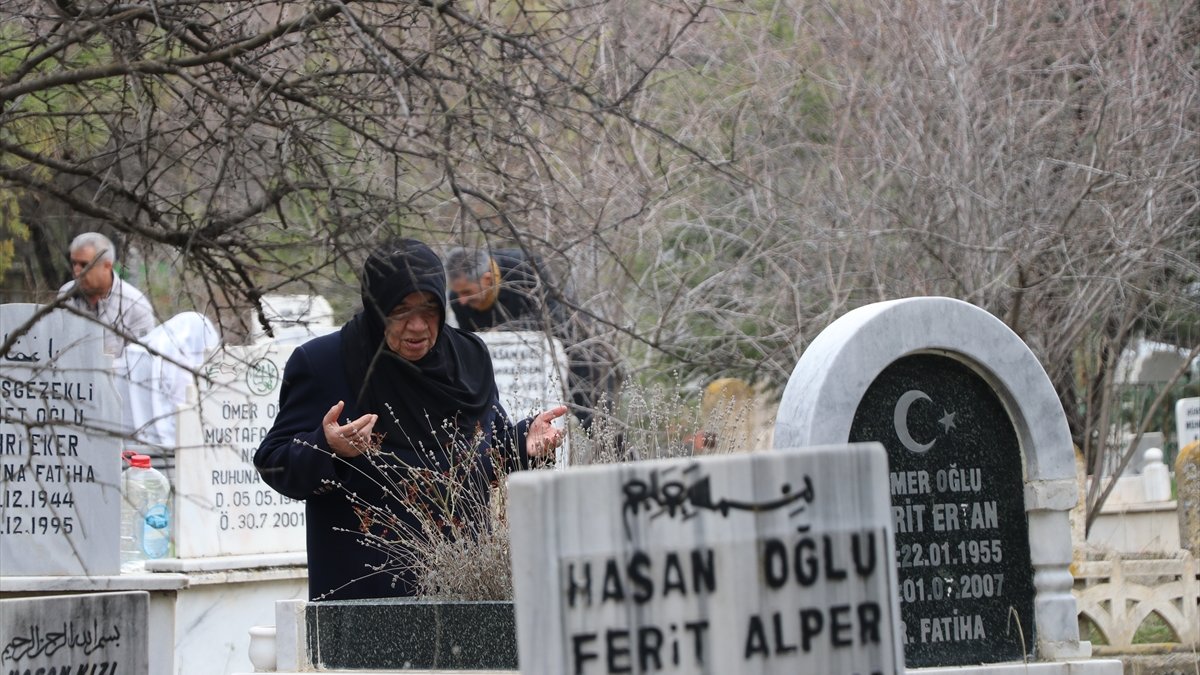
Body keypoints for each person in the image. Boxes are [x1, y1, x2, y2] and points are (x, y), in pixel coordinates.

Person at [254, 239, 566, 601]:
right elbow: (274, 463)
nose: (417, 326)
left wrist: (521, 445)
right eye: (401, 311)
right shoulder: (323, 363)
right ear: (377, 307)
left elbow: (481, 451)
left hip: (464, 587)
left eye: (429, 309)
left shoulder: (468, 357)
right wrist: (328, 448)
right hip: (366, 599)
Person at [445, 246, 620, 430]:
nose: (461, 301)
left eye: (467, 292)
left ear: (487, 279)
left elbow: (554, 317)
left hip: (576, 354)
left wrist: (502, 332)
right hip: (516, 381)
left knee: (598, 425)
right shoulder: (458, 299)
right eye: (458, 293)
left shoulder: (522, 267)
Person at [58, 232, 157, 354]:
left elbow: (140, 361)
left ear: (107, 266)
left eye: (84, 265)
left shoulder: (136, 306)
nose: (77, 271)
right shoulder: (66, 295)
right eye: (74, 263)